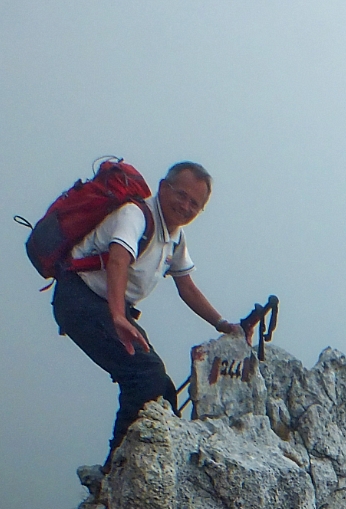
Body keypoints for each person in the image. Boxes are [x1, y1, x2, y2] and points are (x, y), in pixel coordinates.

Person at [51, 160, 241, 466]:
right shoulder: (136, 215)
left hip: (107, 306)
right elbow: (118, 261)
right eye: (181, 195)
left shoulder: (175, 236)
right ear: (163, 188)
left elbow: (186, 286)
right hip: (80, 299)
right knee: (144, 375)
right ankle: (119, 467)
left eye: (195, 203)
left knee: (162, 389)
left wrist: (222, 324)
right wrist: (118, 317)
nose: (186, 205)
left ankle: (150, 462)